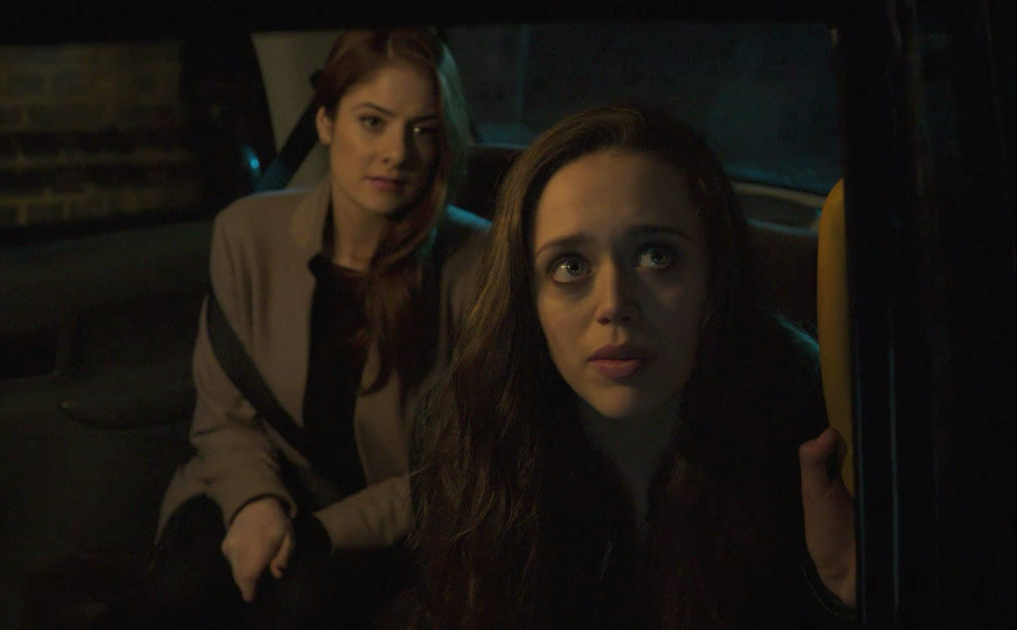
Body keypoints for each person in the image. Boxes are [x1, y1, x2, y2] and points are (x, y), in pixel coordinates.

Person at [409, 104, 857, 629]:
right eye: (570, 266)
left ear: (715, 273)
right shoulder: (469, 428)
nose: (615, 304)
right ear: (527, 297)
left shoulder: (805, 422)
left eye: (656, 257)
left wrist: (846, 592)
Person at [98, 28, 485, 629]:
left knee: (300, 601)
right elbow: (225, 416)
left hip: (392, 523)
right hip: (255, 482)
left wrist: (320, 533)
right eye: (372, 122)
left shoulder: (477, 263)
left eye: (422, 130)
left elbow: (462, 468)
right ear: (326, 122)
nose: (397, 153)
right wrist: (254, 505)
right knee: (179, 590)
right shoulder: (247, 234)